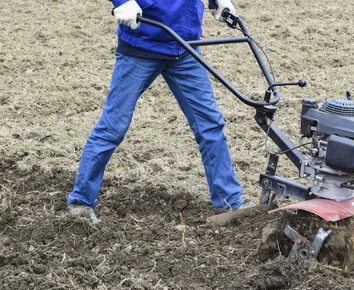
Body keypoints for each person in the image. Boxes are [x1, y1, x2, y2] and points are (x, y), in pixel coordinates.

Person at [67, 0, 253, 223]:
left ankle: (230, 201)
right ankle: (81, 201)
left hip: (184, 46)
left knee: (210, 124)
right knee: (113, 126)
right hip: (142, 43)